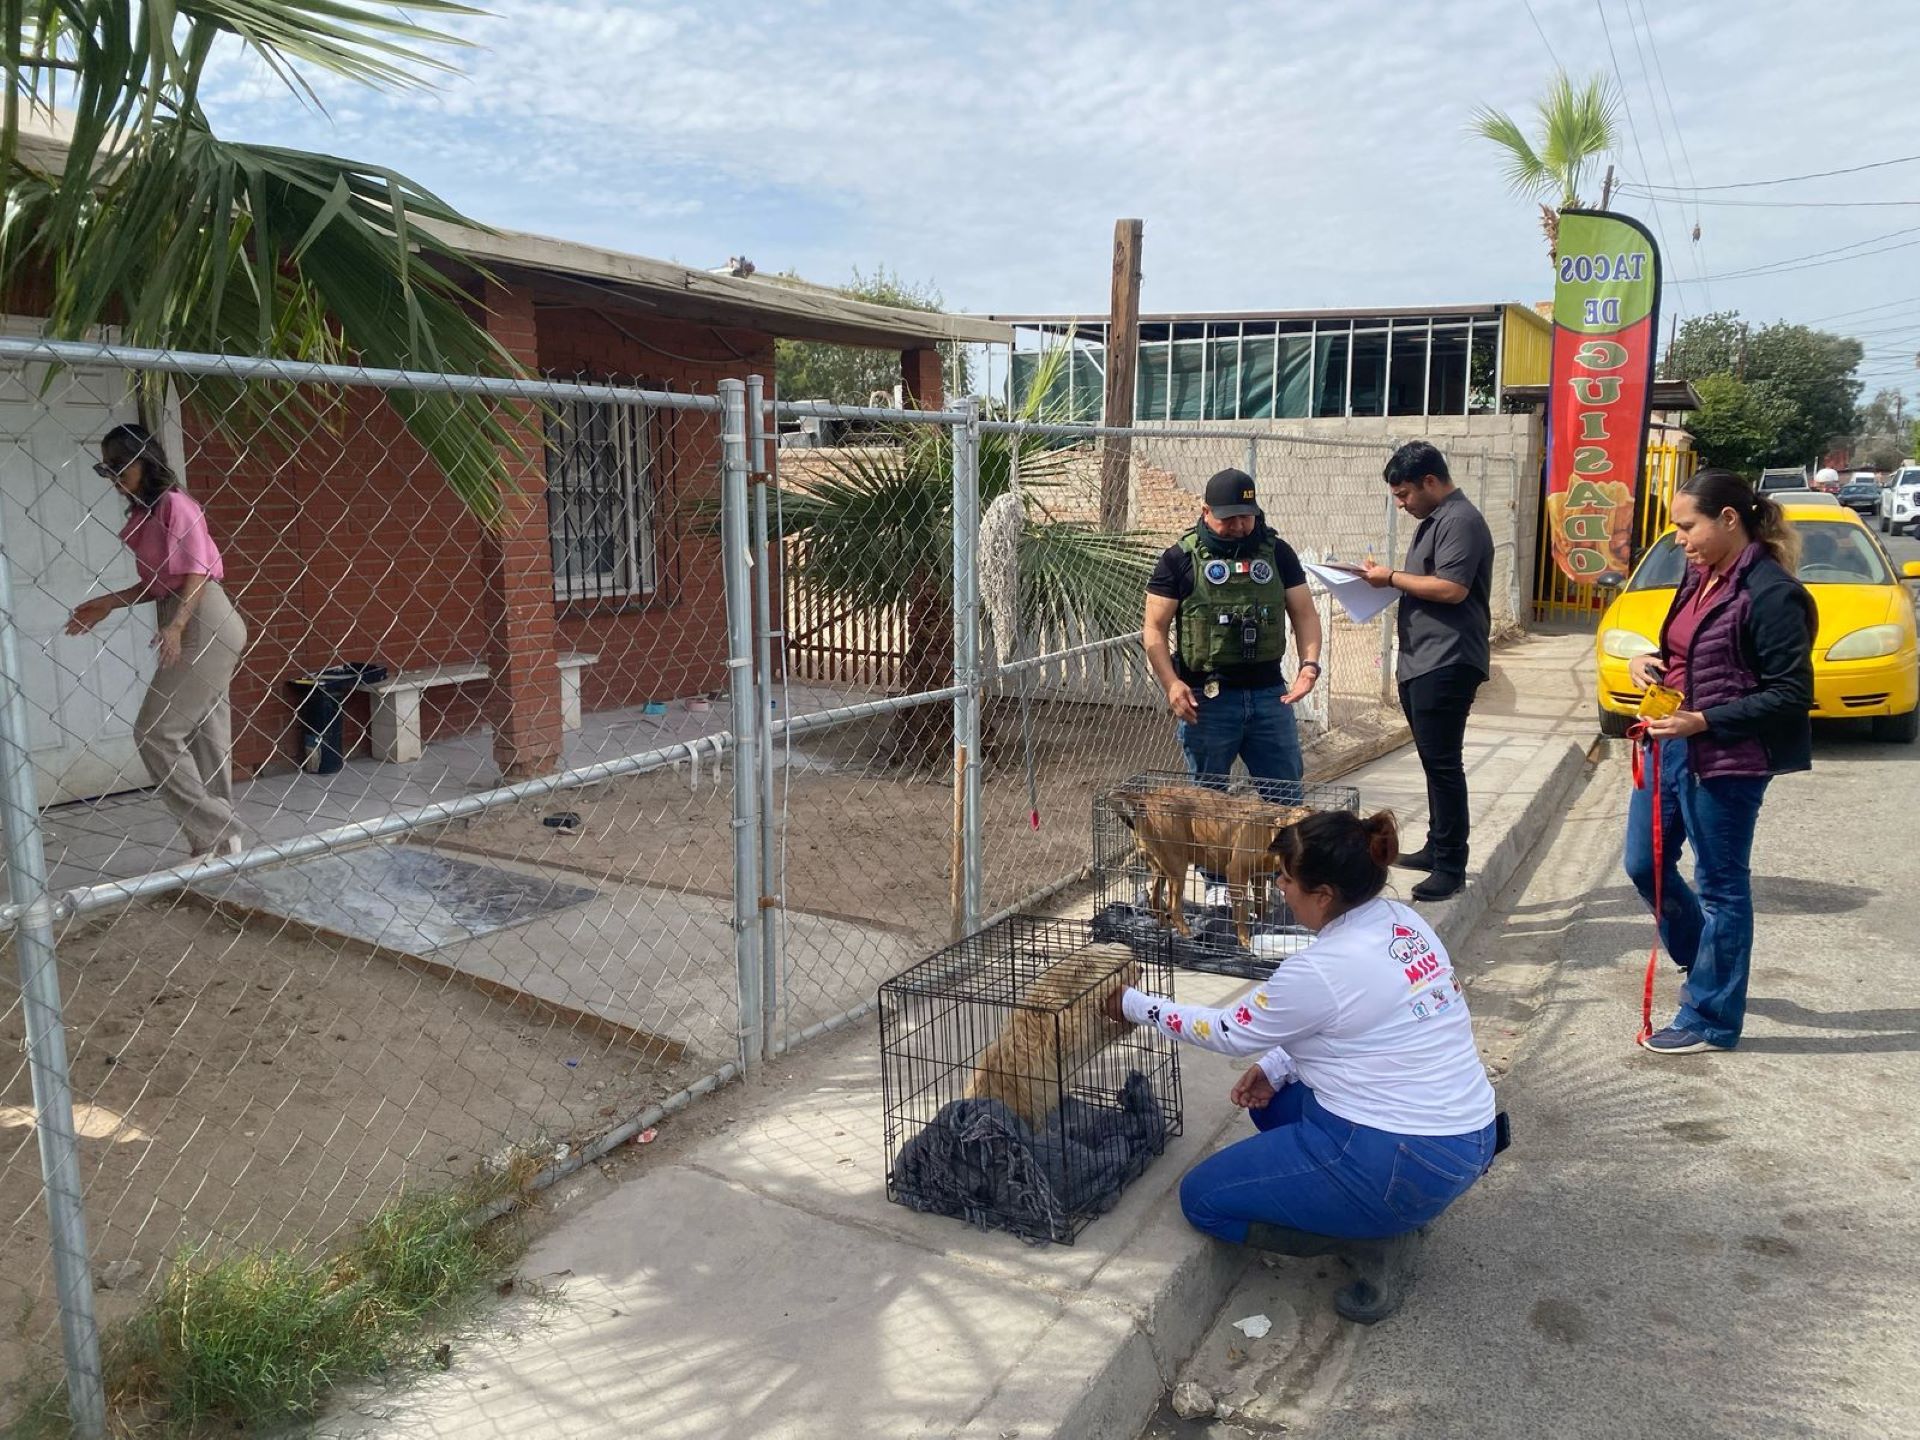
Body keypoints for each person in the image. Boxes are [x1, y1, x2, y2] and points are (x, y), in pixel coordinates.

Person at [1103, 808, 1498, 1251]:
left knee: (1203, 1199)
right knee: (1270, 1107)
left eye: (1287, 879)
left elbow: (1226, 1031)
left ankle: (1370, 1237)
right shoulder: (1401, 921)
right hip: (1469, 1137)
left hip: (1404, 1157)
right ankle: (1370, 1204)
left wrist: (1133, 1003)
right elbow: (1352, 1021)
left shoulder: (1320, 970)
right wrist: (1276, 1064)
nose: (1279, 886)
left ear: (1324, 894)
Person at [1623, 468, 1814, 1054]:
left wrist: (1704, 720)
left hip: (1727, 759)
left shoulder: (1773, 593)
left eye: (1688, 526)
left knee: (1722, 888)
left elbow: (1791, 694)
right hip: (1669, 742)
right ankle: (1707, 963)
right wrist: (1648, 662)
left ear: (1728, 519)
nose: (1680, 538)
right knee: (1643, 864)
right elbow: (1690, 650)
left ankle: (1711, 1018)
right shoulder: (1699, 573)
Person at [65, 424, 248, 859]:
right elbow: (159, 583)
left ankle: (221, 826)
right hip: (182, 611)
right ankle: (217, 840)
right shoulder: (143, 514)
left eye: (120, 465)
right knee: (206, 731)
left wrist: (177, 627)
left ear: (146, 460)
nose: (113, 476)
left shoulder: (175, 504)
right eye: (105, 468)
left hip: (203, 617)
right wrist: (110, 602)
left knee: (155, 732)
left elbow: (198, 571)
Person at [1360, 442, 1493, 902]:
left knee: (1443, 765)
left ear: (1431, 482)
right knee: (1434, 765)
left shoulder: (1460, 521)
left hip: (1448, 659)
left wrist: (1391, 577)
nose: (1402, 504)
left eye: (1405, 495)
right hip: (1425, 658)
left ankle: (1451, 864)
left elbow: (1452, 589)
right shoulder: (1436, 520)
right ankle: (1438, 848)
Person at [1143, 467, 1323, 799]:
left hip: (1270, 695)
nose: (1239, 526)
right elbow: (1154, 628)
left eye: (1246, 517)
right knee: (1208, 808)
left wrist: (1309, 666)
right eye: (1229, 518)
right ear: (1205, 511)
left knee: (1285, 800)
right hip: (1207, 700)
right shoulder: (1178, 559)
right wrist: (1171, 684)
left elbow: (1305, 614)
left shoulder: (1278, 553)